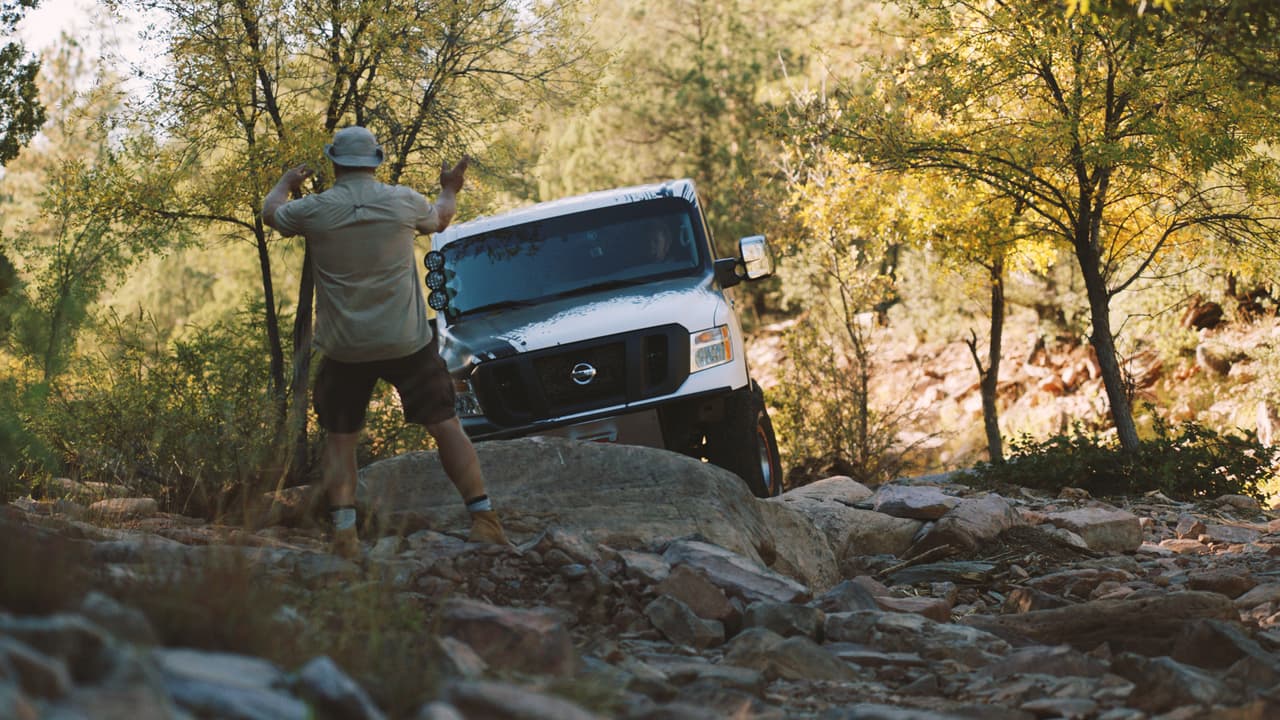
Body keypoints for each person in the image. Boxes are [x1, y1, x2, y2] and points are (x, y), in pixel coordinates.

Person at [261, 125, 508, 559]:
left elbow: (271, 213)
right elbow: (442, 217)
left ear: (335, 162)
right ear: (374, 161)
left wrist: (286, 183)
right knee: (445, 424)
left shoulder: (313, 210)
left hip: (344, 348)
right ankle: (484, 519)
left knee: (340, 438)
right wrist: (450, 187)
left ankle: (345, 536)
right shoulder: (402, 201)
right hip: (406, 343)